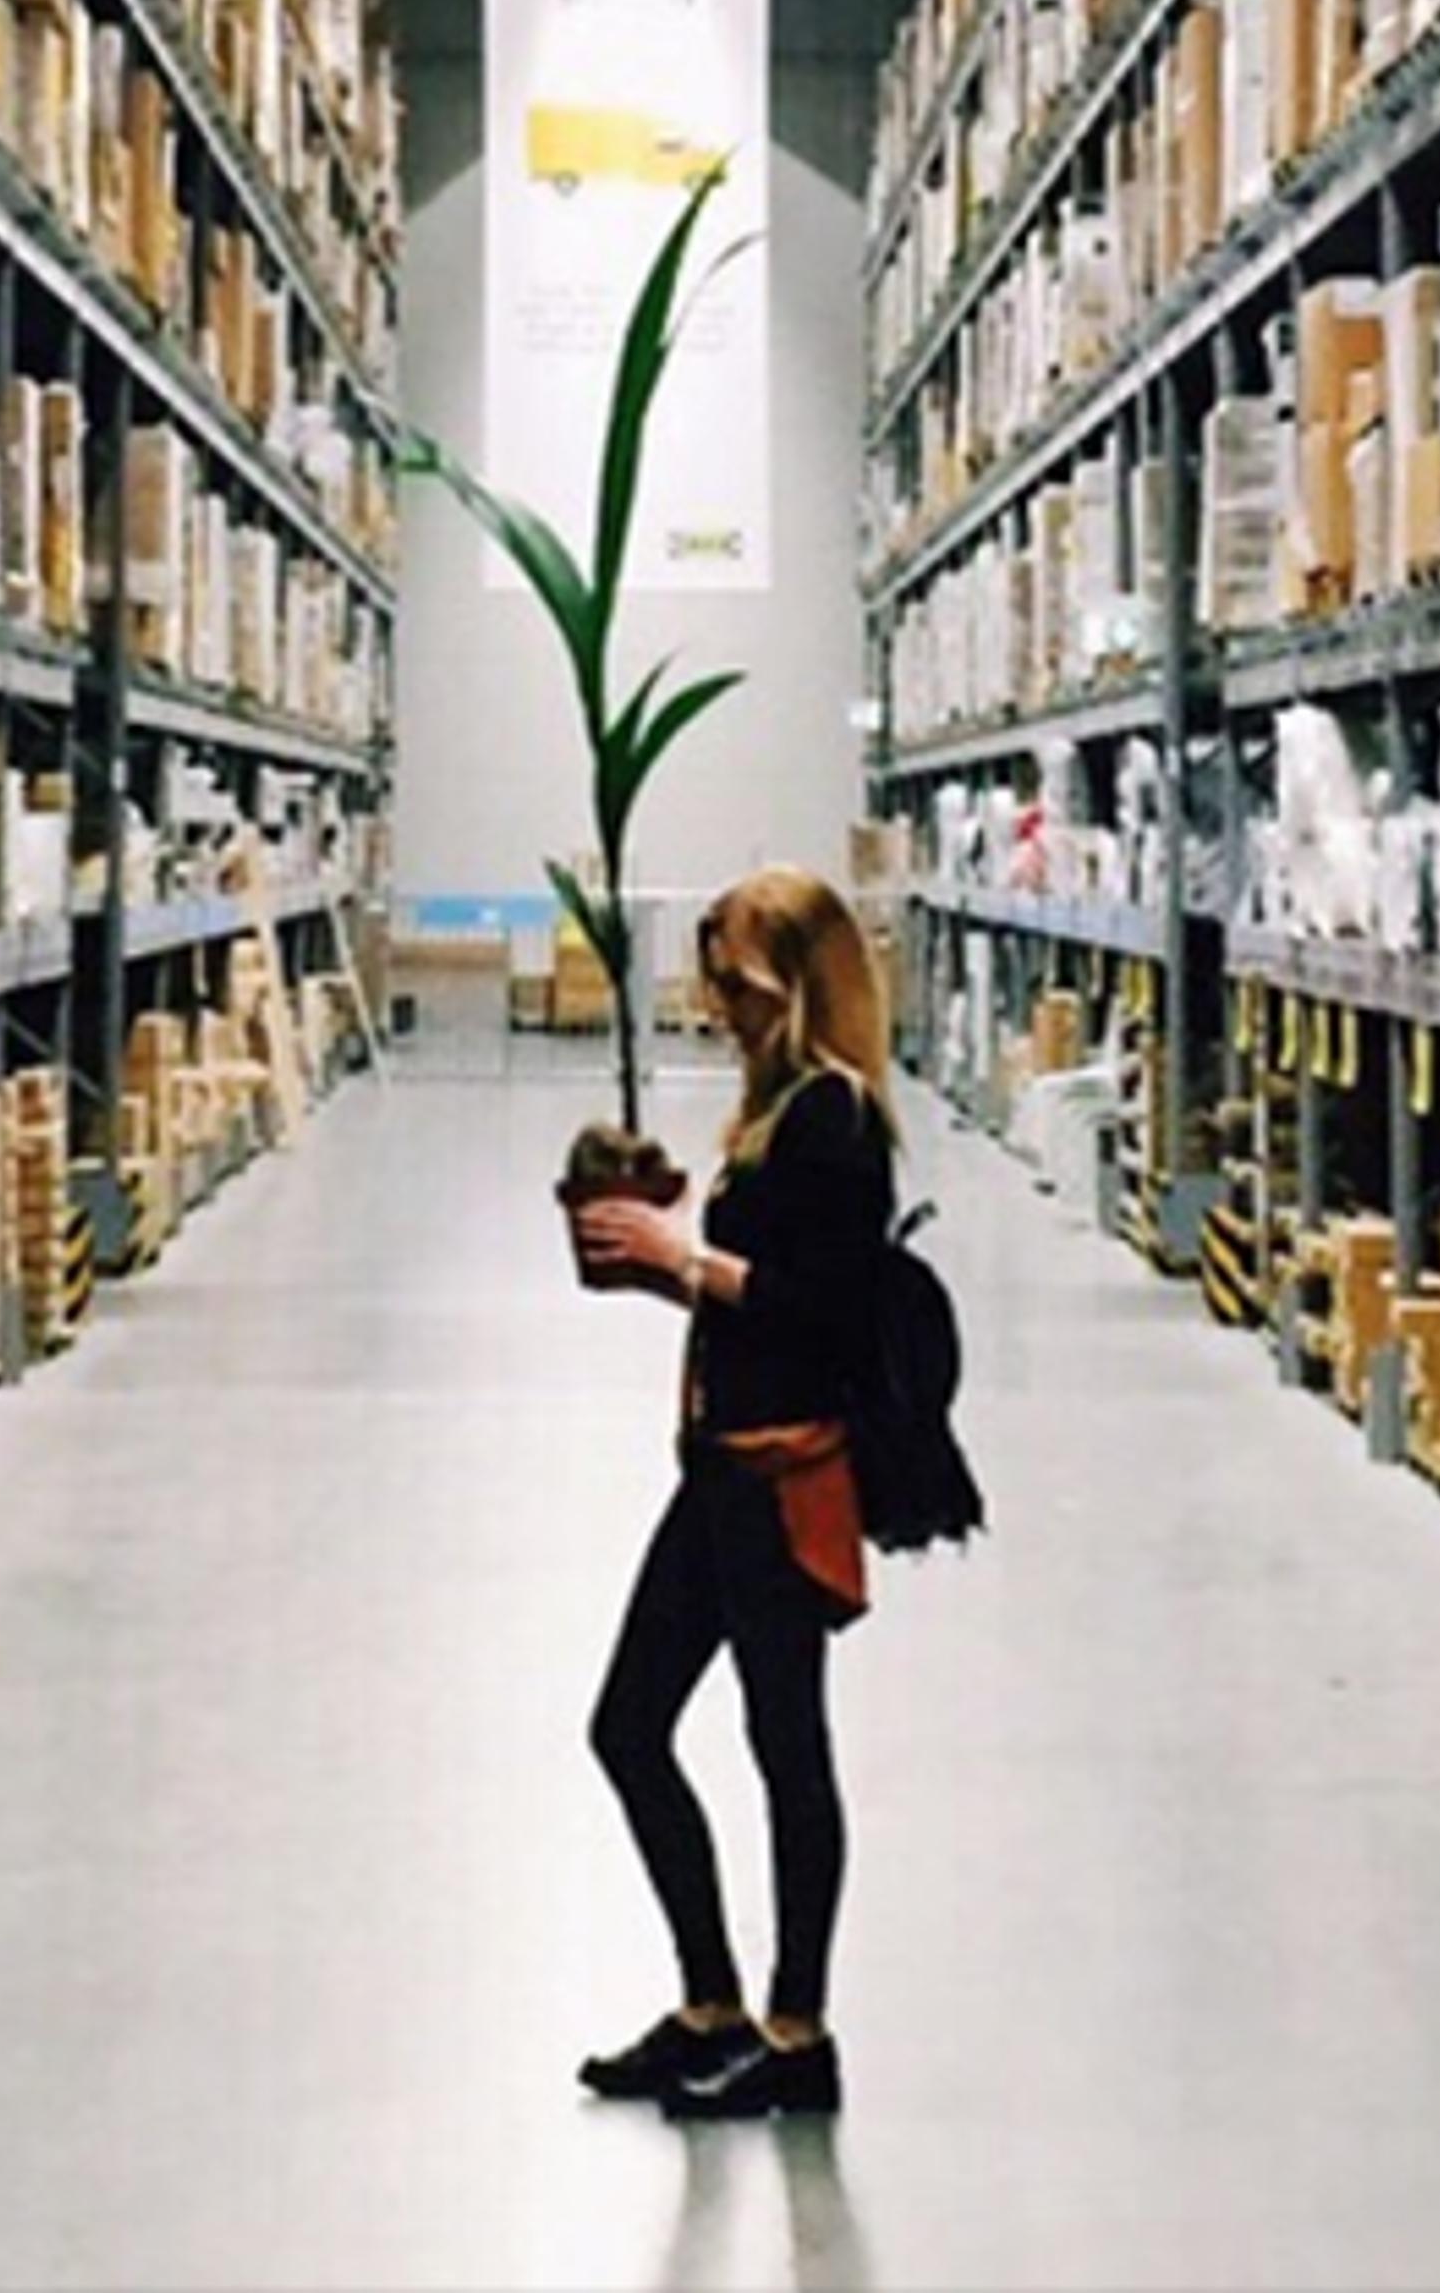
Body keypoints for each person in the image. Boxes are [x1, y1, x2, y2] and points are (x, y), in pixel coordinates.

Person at [567, 866, 898, 2122]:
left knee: (785, 1748)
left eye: (744, 980)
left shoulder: (838, 1117)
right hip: (716, 1472)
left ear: (804, 981)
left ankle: (797, 2033)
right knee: (627, 1725)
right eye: (714, 978)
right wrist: (666, 1273)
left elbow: (829, 1311)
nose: (721, 1003)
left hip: (781, 1477)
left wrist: (685, 1259)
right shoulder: (769, 1111)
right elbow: (757, 1285)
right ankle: (709, 2000)